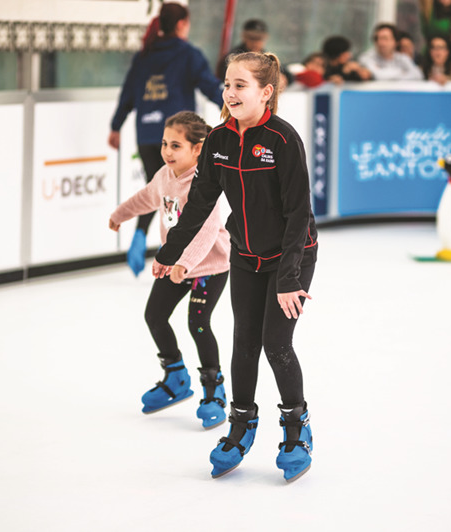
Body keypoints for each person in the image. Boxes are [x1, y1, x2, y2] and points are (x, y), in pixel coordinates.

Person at [153, 52, 319, 483]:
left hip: (292, 255)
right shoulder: (221, 141)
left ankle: (297, 428)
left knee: (275, 344)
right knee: (243, 344)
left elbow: (299, 213)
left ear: (266, 92)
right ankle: (240, 425)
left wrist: (288, 278)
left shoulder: (282, 140)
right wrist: (170, 252)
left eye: (240, 85)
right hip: (245, 254)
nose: (230, 92)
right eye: (227, 83)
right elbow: (200, 203)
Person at [108, 111, 231, 429]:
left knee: (198, 323)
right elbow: (146, 198)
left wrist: (185, 264)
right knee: (155, 315)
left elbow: (206, 230)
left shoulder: (207, 182)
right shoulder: (164, 175)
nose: (167, 151)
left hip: (209, 266)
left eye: (175, 145)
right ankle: (176, 376)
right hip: (175, 264)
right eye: (164, 144)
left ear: (198, 149)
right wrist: (121, 214)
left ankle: (214, 389)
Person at [108, 3, 223, 278]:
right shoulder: (188, 54)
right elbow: (209, 86)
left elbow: (128, 94)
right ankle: (161, 246)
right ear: (182, 24)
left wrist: (116, 126)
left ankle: (143, 237)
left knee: (159, 187)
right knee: (170, 191)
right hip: (178, 138)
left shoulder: (145, 55)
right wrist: (236, 112)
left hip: (149, 135)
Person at [216, 19, 293, 90]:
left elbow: (287, 74)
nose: (255, 42)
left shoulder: (266, 57)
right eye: (252, 38)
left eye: (259, 38)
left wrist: (282, 78)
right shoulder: (234, 58)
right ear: (244, 37)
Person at [358, 23, 424, 80]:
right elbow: (379, 76)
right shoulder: (366, 58)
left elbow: (418, 75)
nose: (380, 43)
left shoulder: (402, 58)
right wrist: (401, 72)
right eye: (377, 39)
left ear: (395, 42)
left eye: (385, 39)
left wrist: (386, 73)